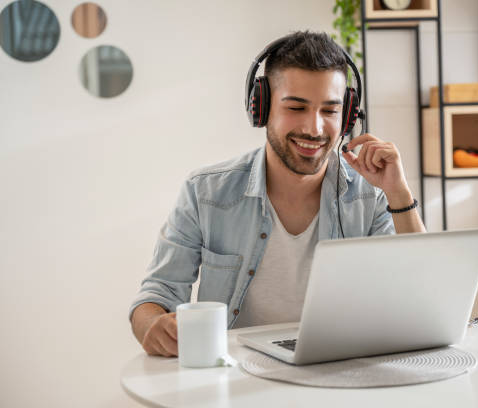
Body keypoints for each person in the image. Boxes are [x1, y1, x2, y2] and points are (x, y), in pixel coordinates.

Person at [129, 31, 426, 358]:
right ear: (262, 108)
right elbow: (156, 296)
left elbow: (422, 300)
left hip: (342, 372)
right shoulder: (206, 192)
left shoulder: (370, 195)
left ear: (348, 116)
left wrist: (399, 192)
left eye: (329, 110)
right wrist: (153, 325)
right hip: (239, 378)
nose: (314, 128)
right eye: (296, 107)